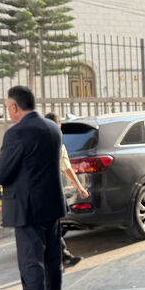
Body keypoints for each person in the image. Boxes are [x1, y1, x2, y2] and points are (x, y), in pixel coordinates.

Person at [0, 86, 65, 290]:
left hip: (27, 210)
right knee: (52, 262)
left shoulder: (16, 133)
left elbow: (1, 175)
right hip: (53, 205)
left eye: (6, 107)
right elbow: (34, 165)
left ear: (14, 107)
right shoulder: (53, 128)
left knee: (32, 265)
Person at [44, 112, 87, 268]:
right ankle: (59, 259)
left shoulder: (49, 144)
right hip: (47, 195)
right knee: (50, 230)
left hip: (44, 196)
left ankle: (62, 257)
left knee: (51, 229)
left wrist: (80, 187)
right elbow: (67, 168)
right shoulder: (54, 144)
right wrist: (80, 187)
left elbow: (66, 168)